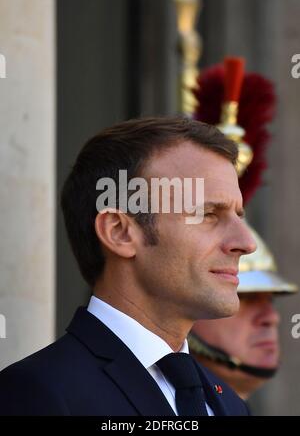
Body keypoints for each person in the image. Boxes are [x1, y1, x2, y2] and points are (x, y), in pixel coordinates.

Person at [0, 117, 256, 416]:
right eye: (208, 214)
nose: (246, 242)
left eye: (239, 215)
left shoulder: (230, 405)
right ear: (119, 232)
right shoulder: (38, 393)